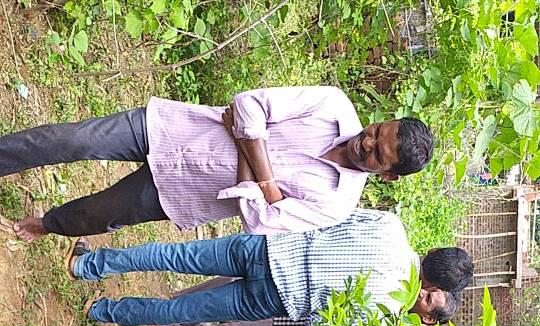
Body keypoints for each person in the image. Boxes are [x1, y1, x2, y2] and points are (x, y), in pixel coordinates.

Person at [1, 87, 433, 242]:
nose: (366, 141)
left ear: (387, 175)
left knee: (95, 215)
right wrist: (265, 184)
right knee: (70, 139)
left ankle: (45, 225)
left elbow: (260, 221)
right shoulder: (332, 105)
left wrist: (248, 145)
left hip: (183, 194)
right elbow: (248, 104)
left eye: (377, 154)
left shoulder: (337, 204)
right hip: (175, 129)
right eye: (378, 130)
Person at [67, 210, 465, 326]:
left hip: (268, 248)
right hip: (273, 298)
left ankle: (87, 265)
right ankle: (101, 311)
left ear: (433, 251)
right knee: (180, 312)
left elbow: (328, 216)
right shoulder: (386, 313)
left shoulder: (390, 226)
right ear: (434, 286)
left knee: (174, 255)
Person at [147, 246, 472, 326]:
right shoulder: (395, 272)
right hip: (296, 287)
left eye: (429, 299)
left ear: (429, 318)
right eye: (428, 292)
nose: (422, 295)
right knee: (227, 292)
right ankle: (168, 314)